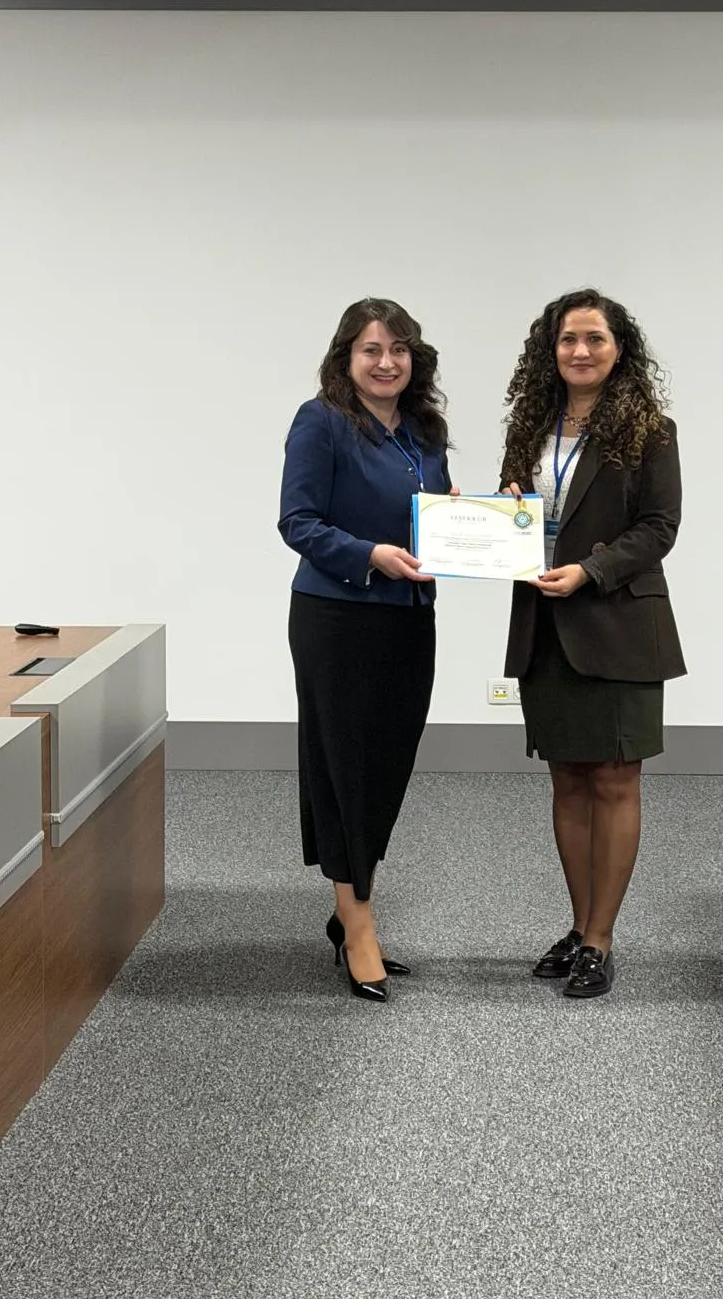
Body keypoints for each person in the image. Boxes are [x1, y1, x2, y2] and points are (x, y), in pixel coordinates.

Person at [500, 289, 684, 999]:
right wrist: (492, 513)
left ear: (619, 348)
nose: (580, 351)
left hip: (618, 625)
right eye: (568, 339)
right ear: (550, 351)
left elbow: (659, 527)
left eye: (595, 339)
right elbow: (520, 513)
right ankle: (579, 929)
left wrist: (589, 570)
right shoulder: (530, 428)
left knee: (614, 780)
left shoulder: (651, 431)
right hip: (545, 629)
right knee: (568, 780)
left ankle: (602, 939)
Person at [279, 298, 451, 1003]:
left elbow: (431, 518)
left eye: (399, 349)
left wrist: (469, 521)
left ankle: (350, 905)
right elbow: (297, 521)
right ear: (345, 358)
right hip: (338, 618)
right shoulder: (320, 421)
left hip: (409, 620)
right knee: (343, 769)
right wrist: (369, 554)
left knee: (386, 768)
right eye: (371, 350)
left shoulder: (424, 430)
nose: (386, 363)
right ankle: (357, 925)